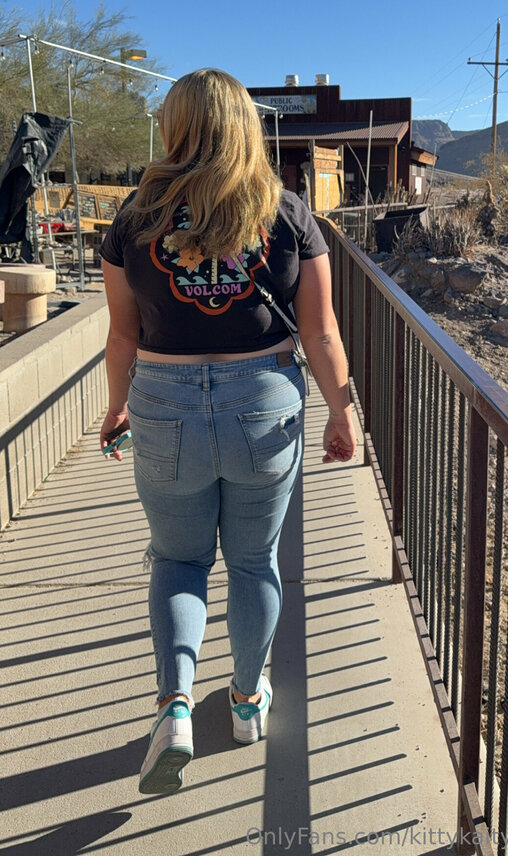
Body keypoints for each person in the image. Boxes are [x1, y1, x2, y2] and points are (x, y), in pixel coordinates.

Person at [99, 68, 356, 796]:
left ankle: (175, 707)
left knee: (179, 562)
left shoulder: (133, 218)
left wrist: (116, 407)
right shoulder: (287, 211)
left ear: (174, 125)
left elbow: (121, 335)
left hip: (163, 401)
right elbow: (321, 330)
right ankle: (246, 702)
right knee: (253, 562)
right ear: (246, 125)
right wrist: (341, 411)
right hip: (263, 403)